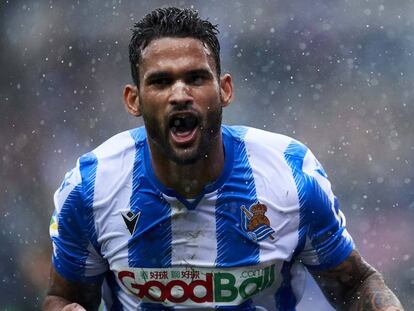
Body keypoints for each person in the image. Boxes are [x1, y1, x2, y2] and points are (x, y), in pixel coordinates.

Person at [43, 7, 404, 311]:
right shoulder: (90, 189)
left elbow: (355, 283)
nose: (180, 94)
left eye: (196, 77)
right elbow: (63, 296)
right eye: (161, 82)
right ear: (133, 99)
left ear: (224, 89)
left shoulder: (290, 178)